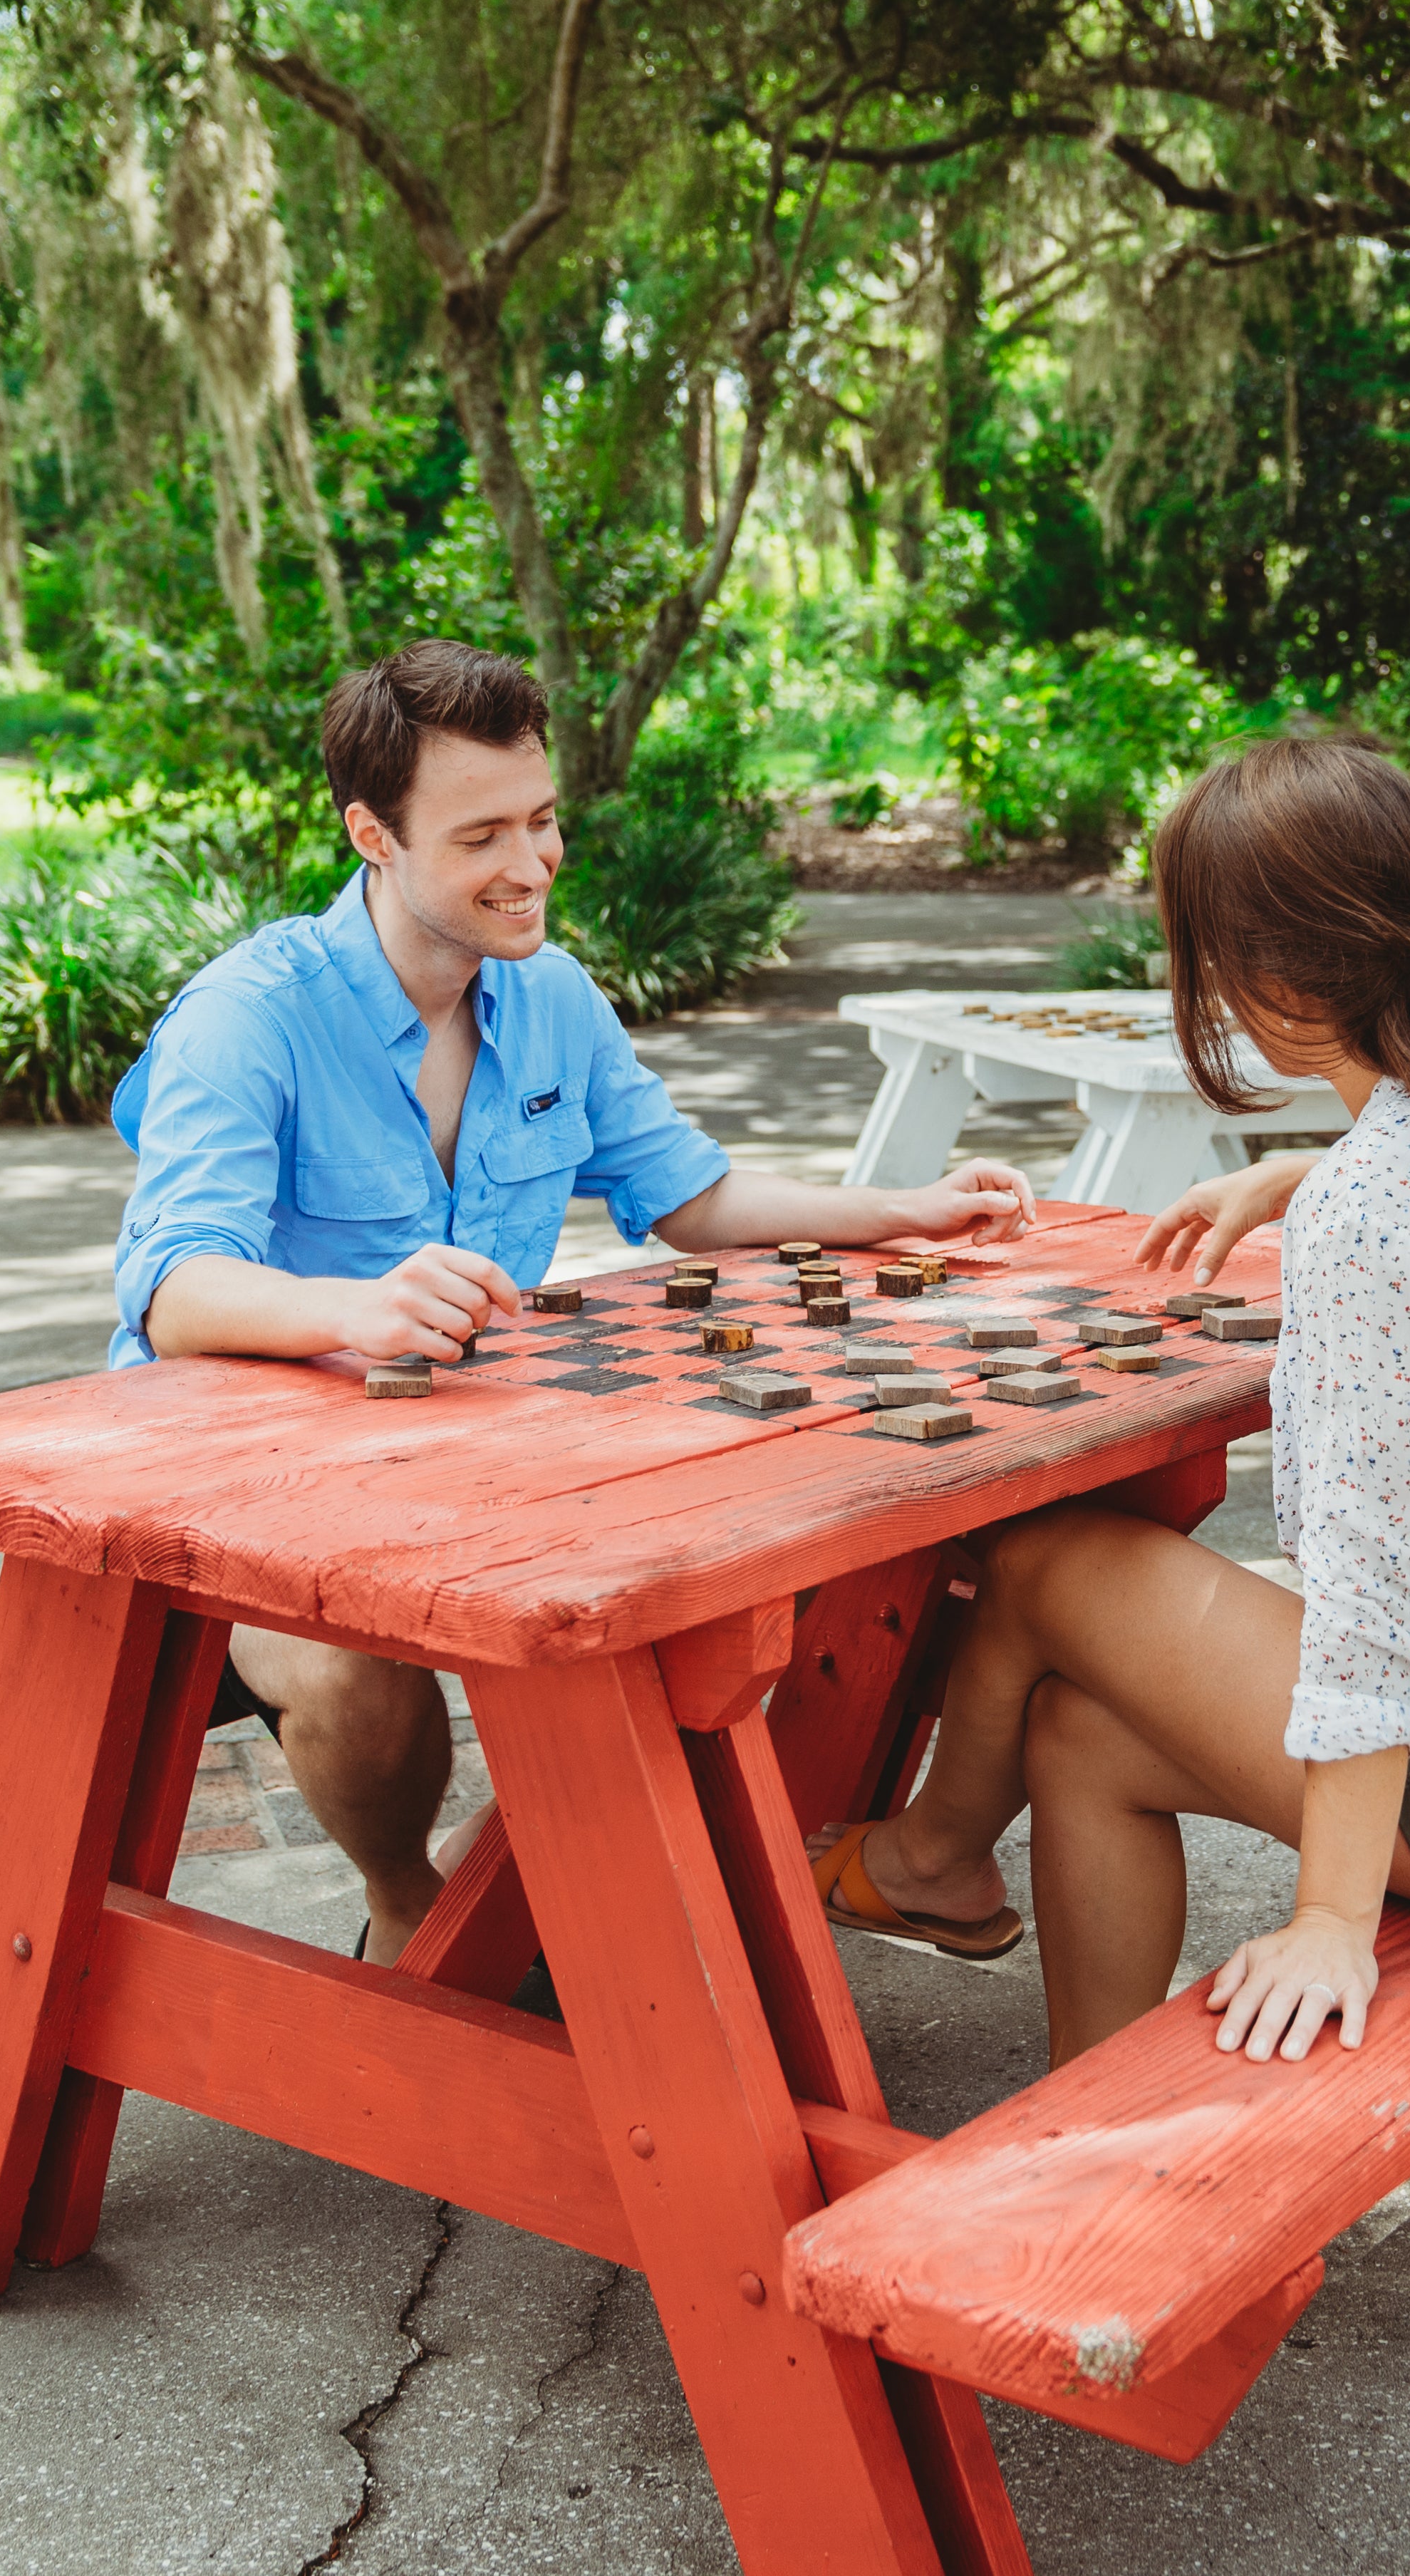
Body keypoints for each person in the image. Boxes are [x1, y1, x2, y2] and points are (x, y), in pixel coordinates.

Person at [814, 735, 1410, 2067]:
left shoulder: (1380, 1220)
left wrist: (1329, 1923)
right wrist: (1309, 1166)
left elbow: (1370, 1608)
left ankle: (928, 1854)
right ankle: (1093, 2120)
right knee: (1081, 1736)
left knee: (1040, 1559)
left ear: (1258, 982)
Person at [109, 638, 1035, 1962]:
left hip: (477, 1458)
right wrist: (350, 1310)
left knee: (779, 1539)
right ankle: (411, 1911)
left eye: (543, 821)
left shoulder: (550, 996)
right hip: (233, 1495)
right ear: (373, 834)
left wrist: (903, 1208)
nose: (534, 865)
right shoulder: (246, 1017)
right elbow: (172, 1293)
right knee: (359, 1672)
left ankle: (675, 1920)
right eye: (483, 834)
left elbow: (691, 1200)